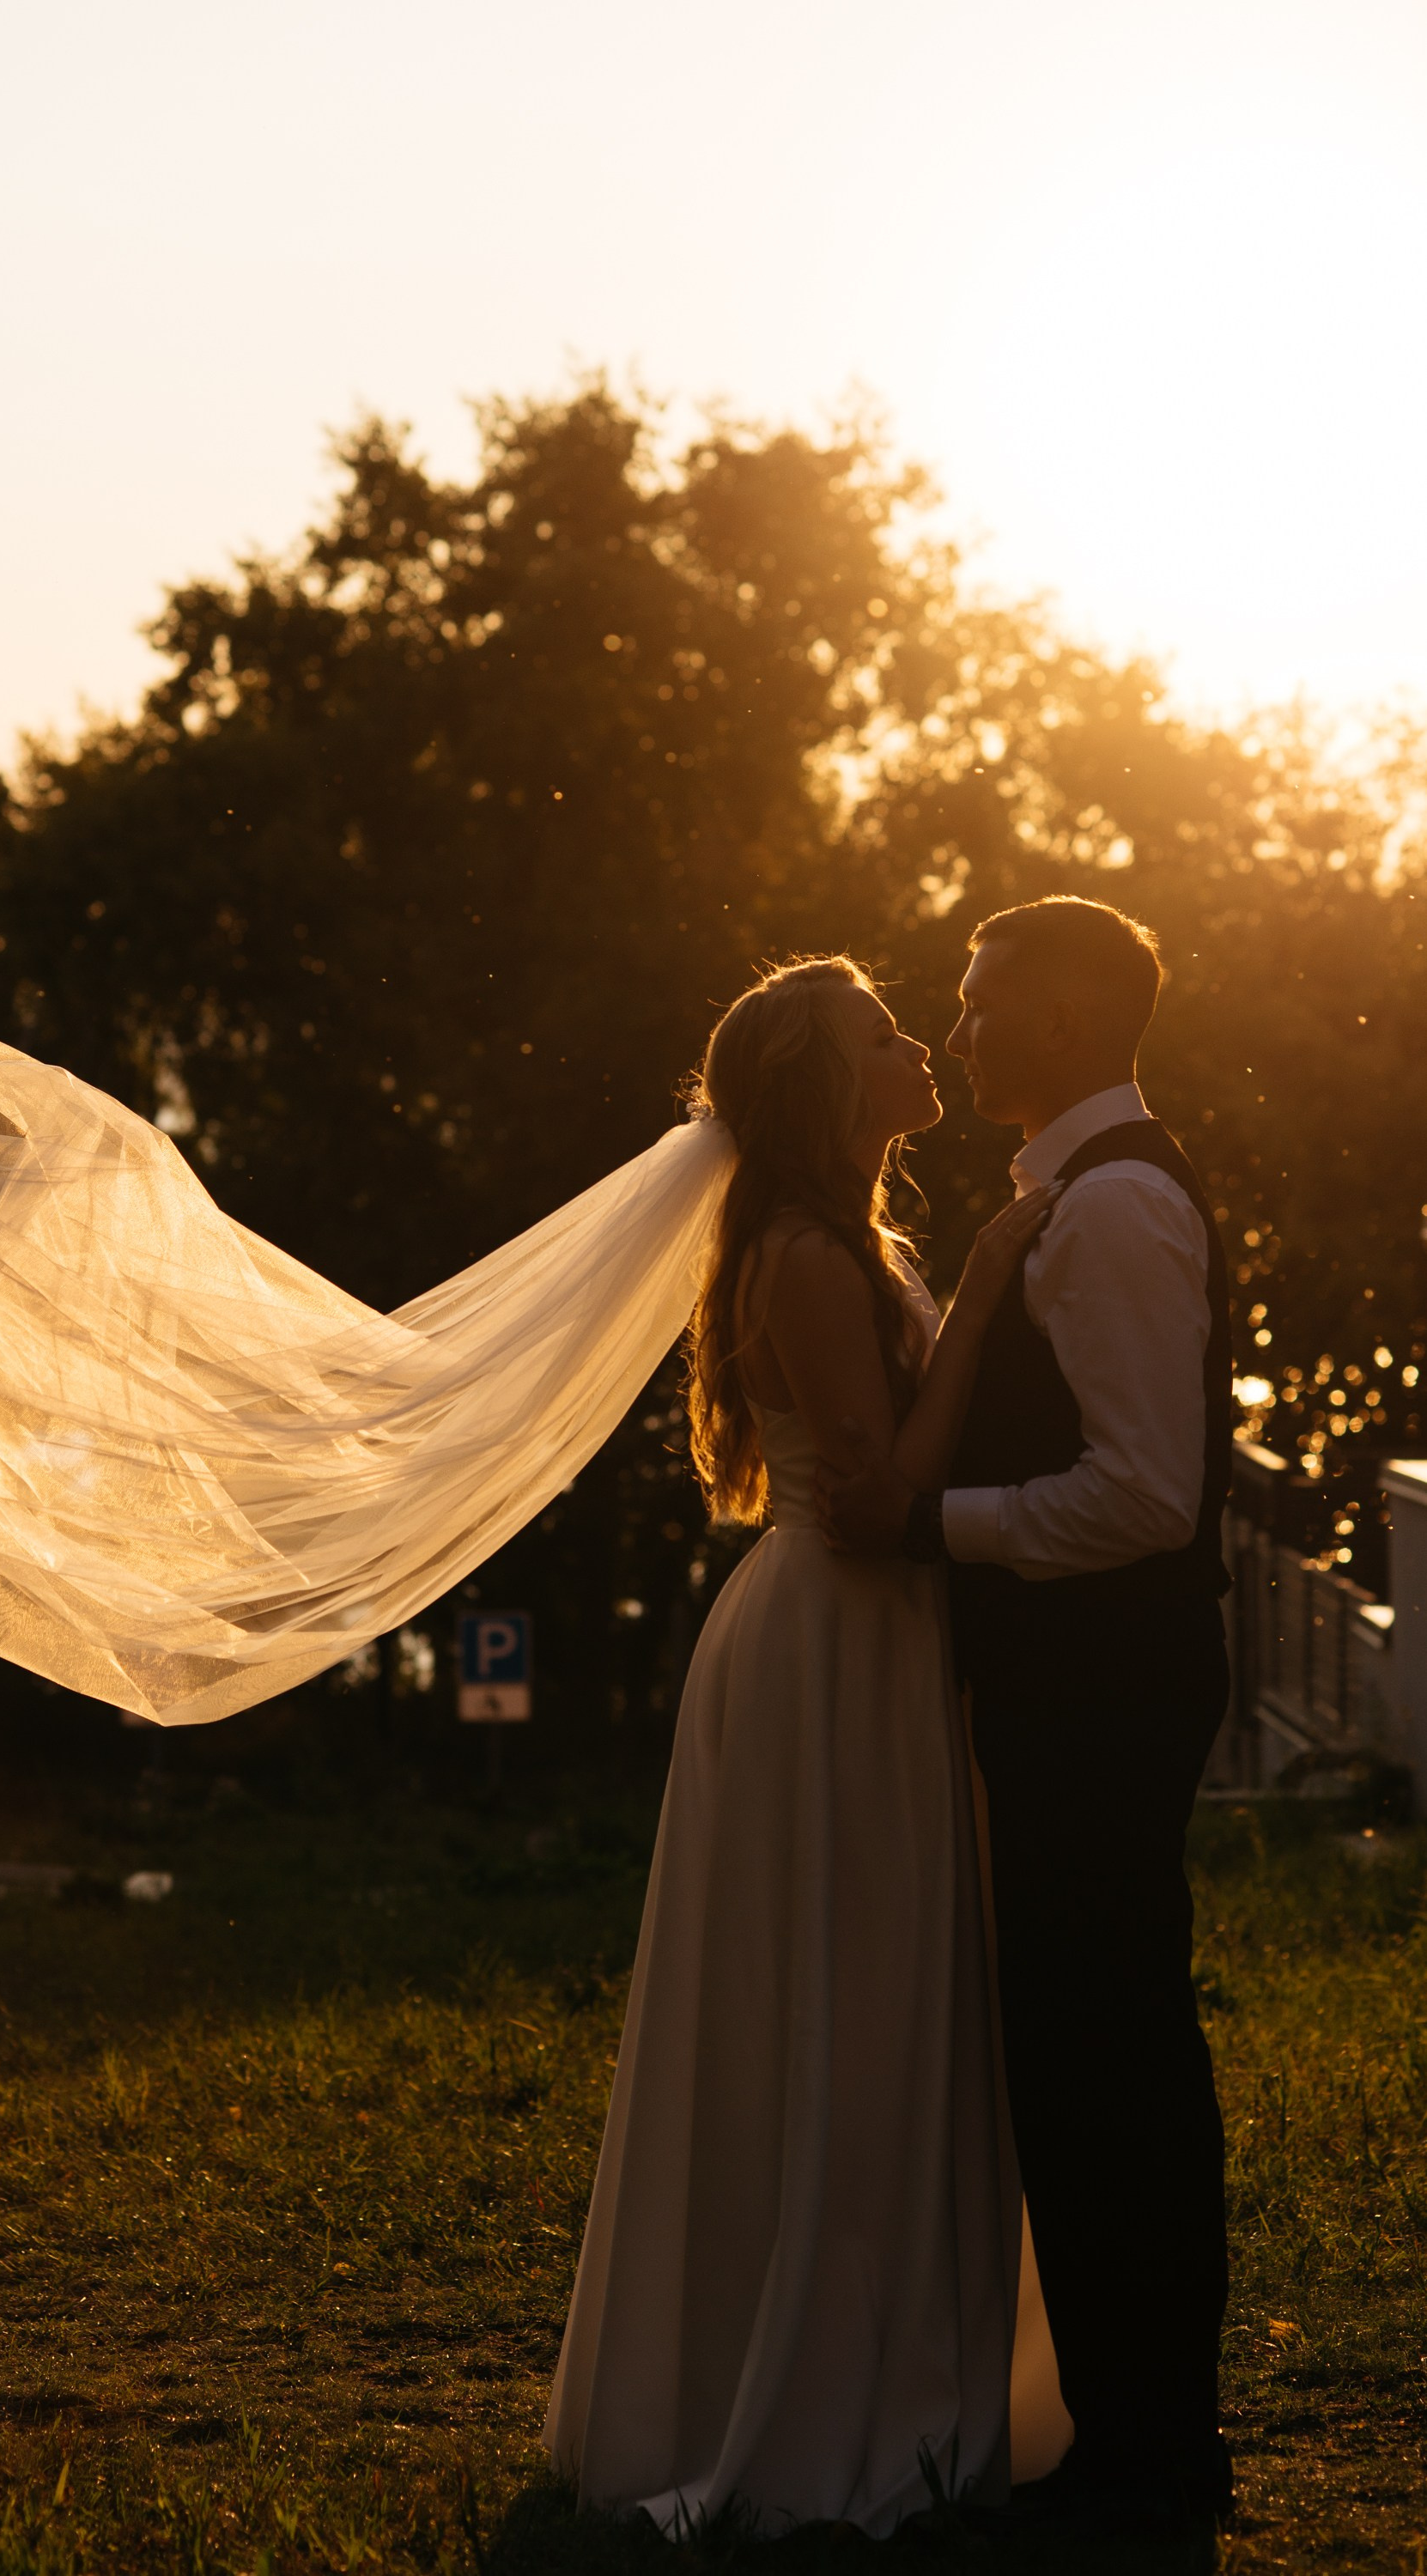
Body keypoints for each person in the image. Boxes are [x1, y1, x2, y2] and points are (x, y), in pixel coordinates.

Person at [545, 955, 1072, 2537]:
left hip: (867, 1648)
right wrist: (982, 1292)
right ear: (819, 1091)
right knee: (843, 1994)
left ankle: (893, 2358)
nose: (916, 1048)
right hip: (832, 1650)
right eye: (881, 1037)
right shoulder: (806, 1259)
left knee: (881, 1989)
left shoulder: (848, 1242)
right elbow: (875, 1496)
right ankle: (807, 2400)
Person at [820, 896, 1234, 2539]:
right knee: (1075, 2047)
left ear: (1061, 1020)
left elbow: (1141, 1499)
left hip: (1107, 1687)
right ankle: (1129, 2441)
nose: (963, 1025)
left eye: (984, 1002)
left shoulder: (1118, 1208)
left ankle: (1153, 2457)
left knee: (1109, 2050)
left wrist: (934, 1530)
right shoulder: (1059, 1195)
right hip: (1070, 1685)